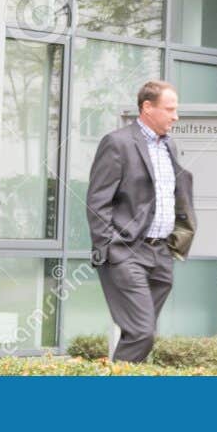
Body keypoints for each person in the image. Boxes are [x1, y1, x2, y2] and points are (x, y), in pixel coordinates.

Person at [86, 79, 183, 362]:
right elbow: (97, 201)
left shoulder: (170, 146)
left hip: (161, 253)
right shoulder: (117, 143)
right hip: (127, 251)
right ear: (147, 107)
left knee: (141, 333)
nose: (175, 116)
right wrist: (110, 247)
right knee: (142, 333)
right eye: (170, 109)